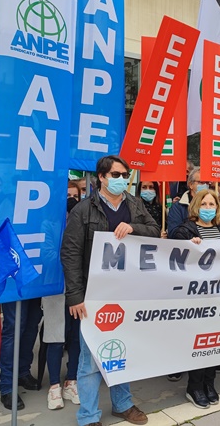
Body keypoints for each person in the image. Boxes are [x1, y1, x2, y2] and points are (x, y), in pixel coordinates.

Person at [61, 155, 160, 426]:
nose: (121, 179)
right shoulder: (84, 210)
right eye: (115, 175)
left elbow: (154, 231)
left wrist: (134, 227)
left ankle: (123, 403)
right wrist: (75, 295)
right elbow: (70, 253)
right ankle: (89, 415)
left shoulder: (135, 204)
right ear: (101, 178)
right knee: (90, 356)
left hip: (127, 292)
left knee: (122, 350)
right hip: (94, 295)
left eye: (124, 174)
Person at [172, 189, 220, 408]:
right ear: (196, 206)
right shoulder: (185, 230)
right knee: (199, 341)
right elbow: (176, 259)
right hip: (195, 297)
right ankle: (194, 386)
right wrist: (189, 245)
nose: (207, 208)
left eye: (211, 205)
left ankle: (209, 383)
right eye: (203, 204)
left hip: (218, 294)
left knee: (214, 340)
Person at [43, 195, 81, 411]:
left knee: (76, 336)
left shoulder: (84, 227)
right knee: (55, 337)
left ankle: (72, 380)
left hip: (79, 289)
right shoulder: (49, 225)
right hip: (55, 286)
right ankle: (54, 385)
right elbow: (48, 255)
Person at [167, 169, 209, 238]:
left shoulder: (214, 206)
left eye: (207, 182)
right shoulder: (178, 207)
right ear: (190, 185)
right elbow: (174, 233)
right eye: (201, 182)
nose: (204, 185)